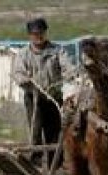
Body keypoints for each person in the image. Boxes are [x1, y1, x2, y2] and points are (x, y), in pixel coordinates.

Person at [13, 18, 76, 165]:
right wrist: (25, 81)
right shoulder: (23, 54)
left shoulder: (57, 50)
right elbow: (18, 72)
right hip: (33, 97)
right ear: (30, 36)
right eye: (35, 34)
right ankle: (36, 160)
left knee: (55, 131)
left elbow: (68, 67)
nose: (39, 37)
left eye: (41, 33)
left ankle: (56, 161)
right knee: (36, 128)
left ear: (46, 33)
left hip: (53, 97)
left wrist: (71, 74)